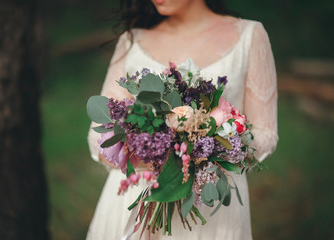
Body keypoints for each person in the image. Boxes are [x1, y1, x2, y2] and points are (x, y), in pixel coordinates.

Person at [86, 0, 278, 239]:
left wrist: (206, 143)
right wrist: (146, 148)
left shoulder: (250, 35)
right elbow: (98, 132)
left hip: (210, 207)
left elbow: (265, 134)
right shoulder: (132, 40)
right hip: (133, 200)